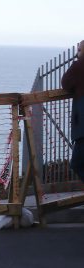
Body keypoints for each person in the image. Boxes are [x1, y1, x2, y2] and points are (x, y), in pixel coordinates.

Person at [61, 40, 84, 183]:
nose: (77, 53)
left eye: (79, 50)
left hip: (83, 127)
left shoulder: (80, 66)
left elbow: (66, 83)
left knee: (77, 164)